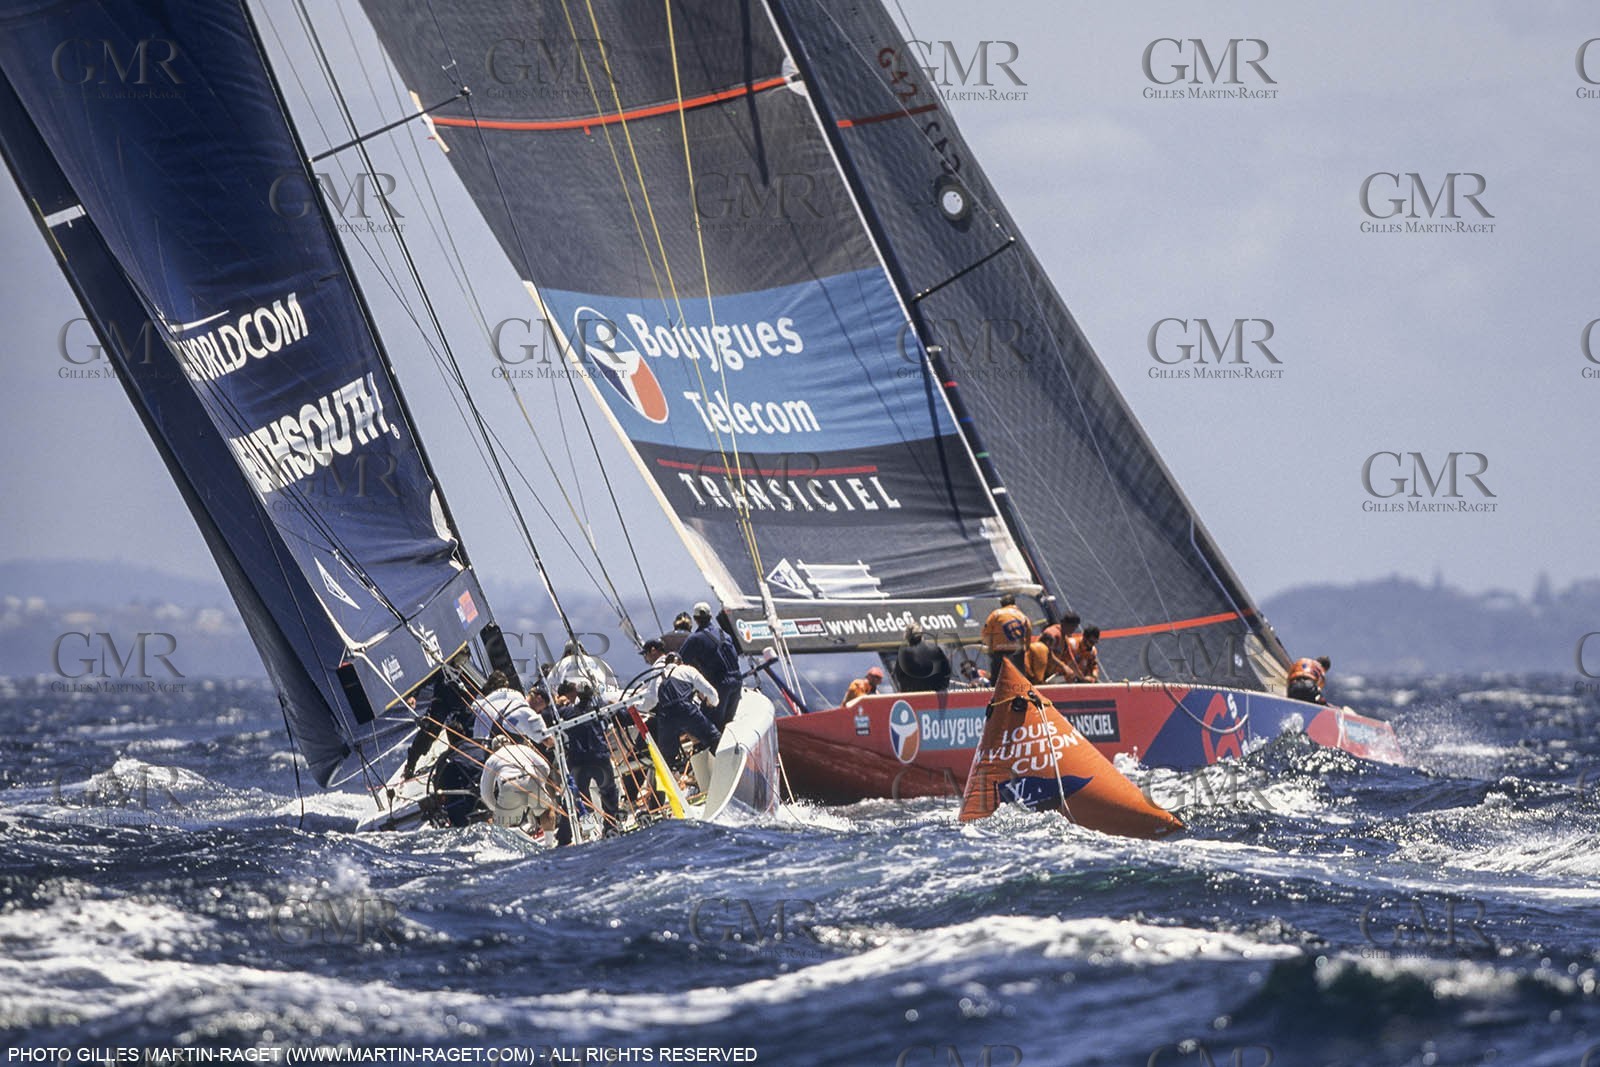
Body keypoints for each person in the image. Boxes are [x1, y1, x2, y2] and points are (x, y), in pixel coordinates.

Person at [637, 639, 722, 774]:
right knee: (714, 739)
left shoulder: (659, 674)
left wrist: (636, 708)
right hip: (686, 711)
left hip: (665, 718)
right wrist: (714, 702)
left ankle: (664, 790)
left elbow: (651, 700)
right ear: (680, 662)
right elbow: (710, 691)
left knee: (667, 760)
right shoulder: (686, 669)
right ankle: (724, 769)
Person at [552, 679, 621, 843]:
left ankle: (566, 837)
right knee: (609, 793)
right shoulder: (598, 710)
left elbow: (550, 713)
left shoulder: (568, 712)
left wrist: (558, 702)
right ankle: (611, 827)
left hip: (579, 761)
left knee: (575, 798)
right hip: (599, 758)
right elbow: (617, 710)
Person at [679, 601, 742, 729]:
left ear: (695, 619)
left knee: (709, 724)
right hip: (737, 681)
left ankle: (710, 748)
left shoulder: (695, 639)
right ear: (710, 617)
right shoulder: (725, 635)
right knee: (727, 724)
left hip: (719, 684)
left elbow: (680, 661)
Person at [471, 671, 551, 746]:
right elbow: (546, 739)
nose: (541, 711)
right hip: (488, 744)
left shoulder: (509, 698)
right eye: (545, 705)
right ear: (539, 698)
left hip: (479, 741)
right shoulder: (521, 705)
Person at [981, 594, 1032, 683]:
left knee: (998, 678)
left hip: (1000, 650)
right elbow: (1029, 631)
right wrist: (1026, 647)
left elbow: (986, 633)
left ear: (1001, 604)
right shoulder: (1021, 615)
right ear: (1014, 603)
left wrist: (990, 648)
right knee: (1018, 677)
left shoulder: (996, 614)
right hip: (1017, 650)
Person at [893, 624, 951, 692]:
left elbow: (899, 676)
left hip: (914, 695)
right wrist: (941, 687)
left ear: (906, 637)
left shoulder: (903, 654)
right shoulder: (935, 649)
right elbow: (947, 671)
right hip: (935, 693)